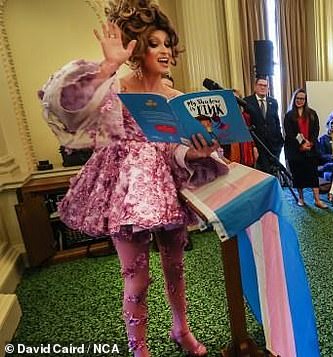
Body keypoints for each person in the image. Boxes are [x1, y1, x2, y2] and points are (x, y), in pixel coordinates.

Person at [38, 1, 218, 355]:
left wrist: (193, 153)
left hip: (167, 189)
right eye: (154, 43)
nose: (164, 50)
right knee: (135, 279)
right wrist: (108, 65)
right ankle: (139, 349)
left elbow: (175, 151)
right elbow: (64, 105)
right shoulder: (115, 88)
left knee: (176, 268)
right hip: (126, 193)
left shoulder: (177, 99)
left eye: (167, 44)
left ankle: (181, 330)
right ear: (137, 48)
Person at [283, 88, 327, 208]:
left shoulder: (312, 113)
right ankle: (301, 199)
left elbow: (315, 130)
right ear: (294, 99)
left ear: (305, 100)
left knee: (313, 175)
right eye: (297, 98)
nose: (299, 101)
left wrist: (310, 143)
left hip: (310, 149)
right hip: (295, 150)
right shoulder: (289, 115)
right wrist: (302, 144)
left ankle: (317, 200)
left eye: (302, 98)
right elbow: (290, 133)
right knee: (298, 175)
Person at [245, 76, 284, 174]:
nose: (263, 88)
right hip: (258, 146)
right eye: (260, 85)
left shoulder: (273, 102)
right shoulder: (247, 102)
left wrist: (279, 142)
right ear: (255, 87)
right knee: (261, 174)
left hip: (273, 146)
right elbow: (246, 124)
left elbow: (276, 122)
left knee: (274, 174)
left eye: (265, 86)